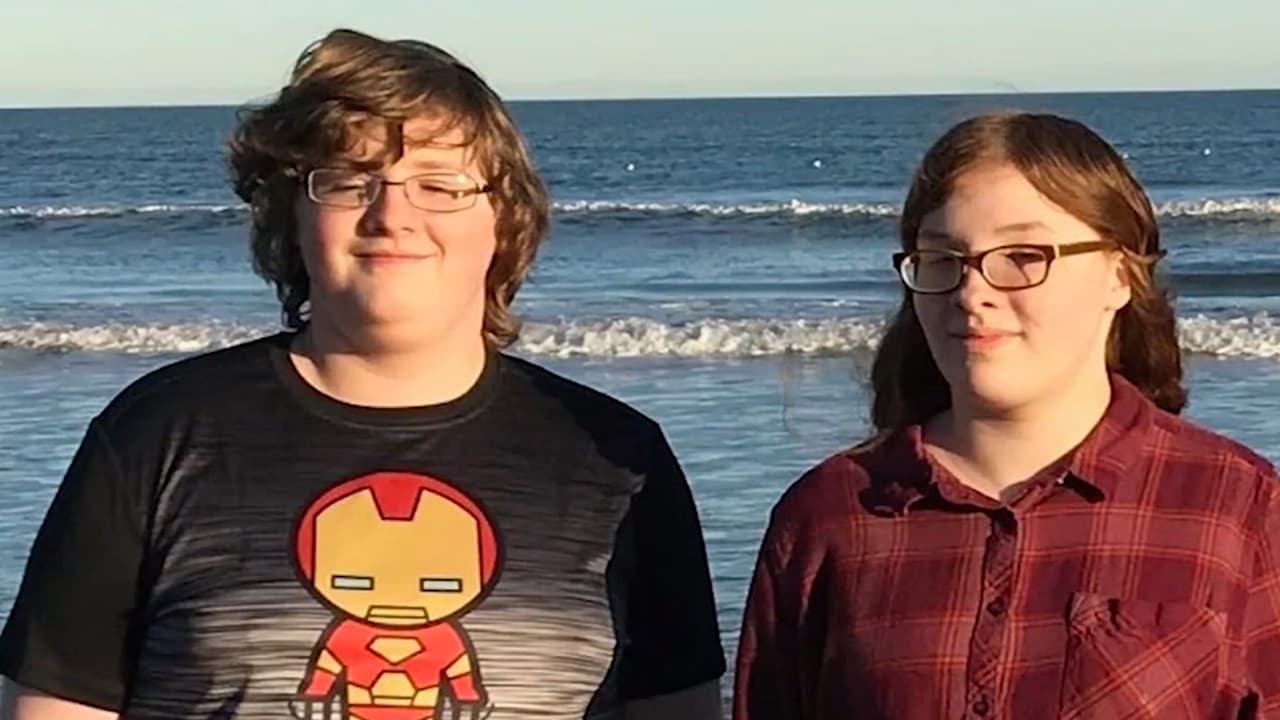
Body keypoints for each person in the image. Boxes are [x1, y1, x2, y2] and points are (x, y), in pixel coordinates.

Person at [0, 29, 724, 720]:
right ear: (293, 216)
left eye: (440, 184)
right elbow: (57, 704)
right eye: (349, 182)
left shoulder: (617, 460)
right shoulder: (157, 434)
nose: (391, 214)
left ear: (504, 221)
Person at [732, 111, 1280, 719]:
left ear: (1119, 275)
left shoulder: (1234, 505)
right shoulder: (830, 515)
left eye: (1023, 256)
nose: (973, 293)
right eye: (942, 259)